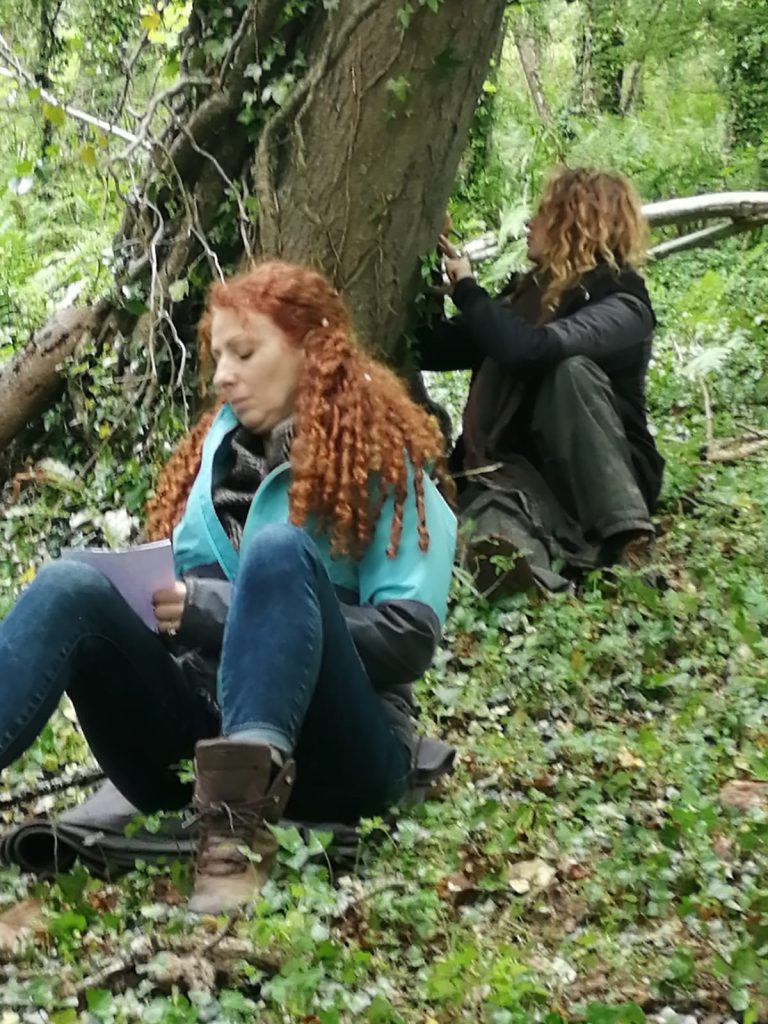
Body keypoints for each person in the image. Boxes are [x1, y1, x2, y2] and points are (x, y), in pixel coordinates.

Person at [0, 262, 457, 913]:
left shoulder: (384, 462)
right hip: (193, 748)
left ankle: (235, 844)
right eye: (218, 357)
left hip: (339, 758)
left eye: (244, 353)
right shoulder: (210, 459)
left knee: (278, 550)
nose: (222, 377)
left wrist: (210, 609)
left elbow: (407, 642)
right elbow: (179, 610)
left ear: (311, 350)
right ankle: (218, 805)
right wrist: (149, 603)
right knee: (69, 585)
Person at [417, 167, 664, 591]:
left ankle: (628, 540)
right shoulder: (526, 297)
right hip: (522, 477)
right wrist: (434, 275)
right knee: (495, 537)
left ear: (576, 225)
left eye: (544, 214)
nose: (530, 223)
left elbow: (529, 350)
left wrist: (470, 291)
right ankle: (537, 582)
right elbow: (435, 349)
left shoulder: (624, 305)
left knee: (571, 371)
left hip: (599, 483)